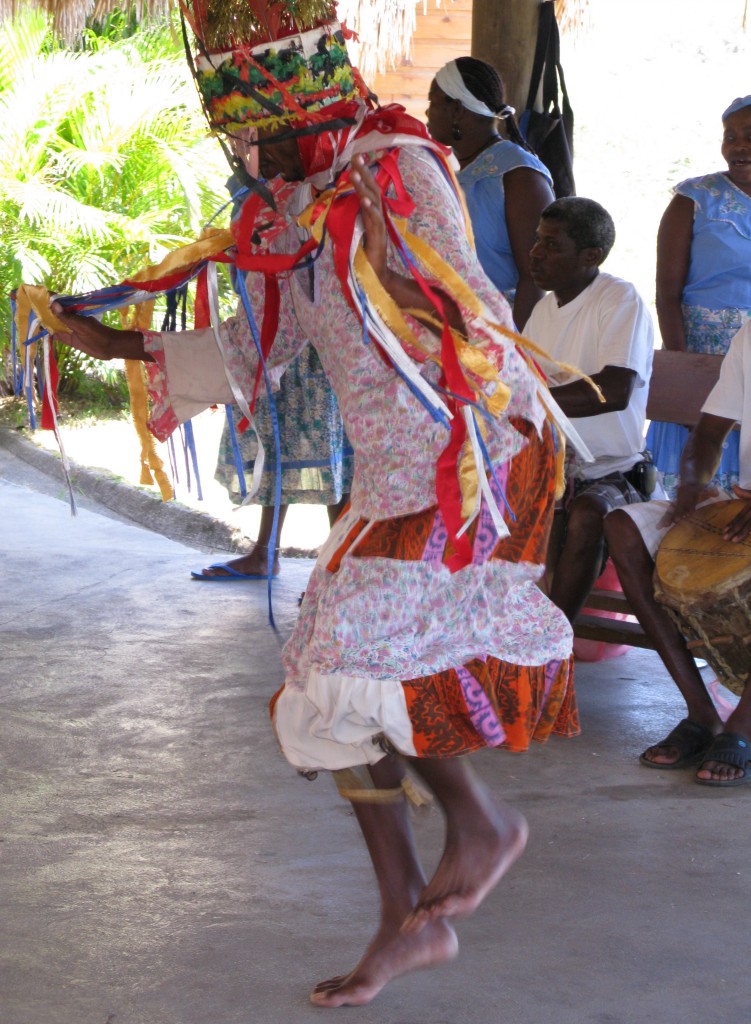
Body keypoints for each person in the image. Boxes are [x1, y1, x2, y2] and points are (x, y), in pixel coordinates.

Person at [45, 1, 578, 1008]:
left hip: (465, 453)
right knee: (315, 694)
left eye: (253, 123)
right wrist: (114, 345)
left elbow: (475, 306)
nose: (246, 146)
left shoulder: (397, 167)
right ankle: (405, 913)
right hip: (390, 473)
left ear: (291, 89)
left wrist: (498, 439)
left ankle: (479, 827)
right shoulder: (295, 201)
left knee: (343, 663)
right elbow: (264, 344)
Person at [605, 314, 751, 787]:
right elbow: (710, 432)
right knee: (623, 527)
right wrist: (694, 486)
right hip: (747, 503)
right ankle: (701, 712)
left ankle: (743, 722)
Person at [196, 174, 353, 580]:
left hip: (318, 339)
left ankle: (339, 570)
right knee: (272, 441)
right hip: (266, 337)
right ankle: (265, 551)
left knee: (333, 454)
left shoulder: (329, 182)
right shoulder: (251, 191)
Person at [523, 197, 656, 624]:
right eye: (537, 241)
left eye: (551, 244)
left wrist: (528, 400)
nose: (536, 252)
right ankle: (501, 629)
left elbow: (614, 390)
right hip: (550, 465)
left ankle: (552, 639)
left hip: (612, 469)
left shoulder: (619, 300)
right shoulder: (543, 310)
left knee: (587, 515)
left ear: (590, 255)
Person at [647, 93, 751, 496]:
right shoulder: (694, 199)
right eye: (730, 136)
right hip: (699, 351)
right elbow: (667, 294)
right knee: (694, 492)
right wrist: (683, 370)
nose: (738, 145)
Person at [426, 56, 555, 329]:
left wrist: (514, 353)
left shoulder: (519, 176)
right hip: (447, 330)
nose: (427, 113)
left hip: (498, 335)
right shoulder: (450, 169)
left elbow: (534, 278)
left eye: (433, 102)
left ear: (457, 110)